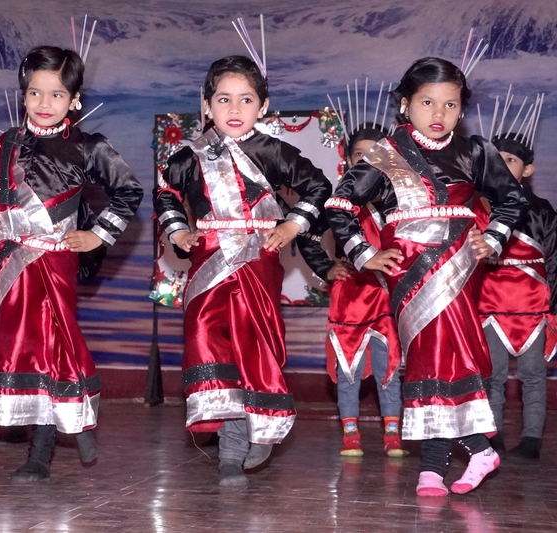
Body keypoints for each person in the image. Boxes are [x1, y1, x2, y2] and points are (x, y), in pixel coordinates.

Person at [326, 57, 527, 496]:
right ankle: (463, 456)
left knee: (443, 359)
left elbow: (512, 200)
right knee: (426, 360)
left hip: (457, 268)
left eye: (450, 105)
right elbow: (340, 206)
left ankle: (440, 466)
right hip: (406, 273)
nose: (439, 114)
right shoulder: (385, 153)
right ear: (405, 104)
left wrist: (494, 238)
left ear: (462, 109)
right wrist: (364, 253)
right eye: (427, 102)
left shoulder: (475, 151)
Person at [0, 46, 143, 481]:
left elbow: (129, 191)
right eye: (35, 92)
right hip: (6, 265)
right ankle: (75, 417)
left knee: (53, 343)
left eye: (57, 94)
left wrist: (98, 235)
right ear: (22, 95)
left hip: (55, 262)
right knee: (21, 347)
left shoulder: (88, 147)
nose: (44, 103)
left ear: (74, 100)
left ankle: (41, 452)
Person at [154, 55, 331, 487]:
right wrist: (178, 231)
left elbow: (319, 186)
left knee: (255, 344)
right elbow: (165, 193)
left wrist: (291, 224)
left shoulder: (274, 151)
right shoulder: (189, 156)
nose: (234, 109)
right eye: (224, 99)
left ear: (263, 106)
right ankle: (230, 451)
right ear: (207, 105)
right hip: (208, 263)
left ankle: (264, 423)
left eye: (246, 100)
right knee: (207, 341)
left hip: (258, 260)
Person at [322, 124, 406, 458]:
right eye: (360, 154)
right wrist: (325, 267)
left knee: (389, 369)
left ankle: (392, 434)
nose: (367, 160)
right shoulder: (340, 203)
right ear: (347, 160)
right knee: (349, 370)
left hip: (387, 297)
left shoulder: (400, 201)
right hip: (350, 299)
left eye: (376, 154)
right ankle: (351, 433)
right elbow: (308, 235)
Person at [476, 130, 557, 460]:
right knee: (492, 376)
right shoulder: (478, 208)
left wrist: (553, 308)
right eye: (497, 159)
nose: (503, 165)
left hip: (532, 308)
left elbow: (554, 259)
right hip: (489, 305)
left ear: (528, 169)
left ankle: (531, 440)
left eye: (511, 160)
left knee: (533, 376)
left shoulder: (541, 209)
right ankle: (492, 436)